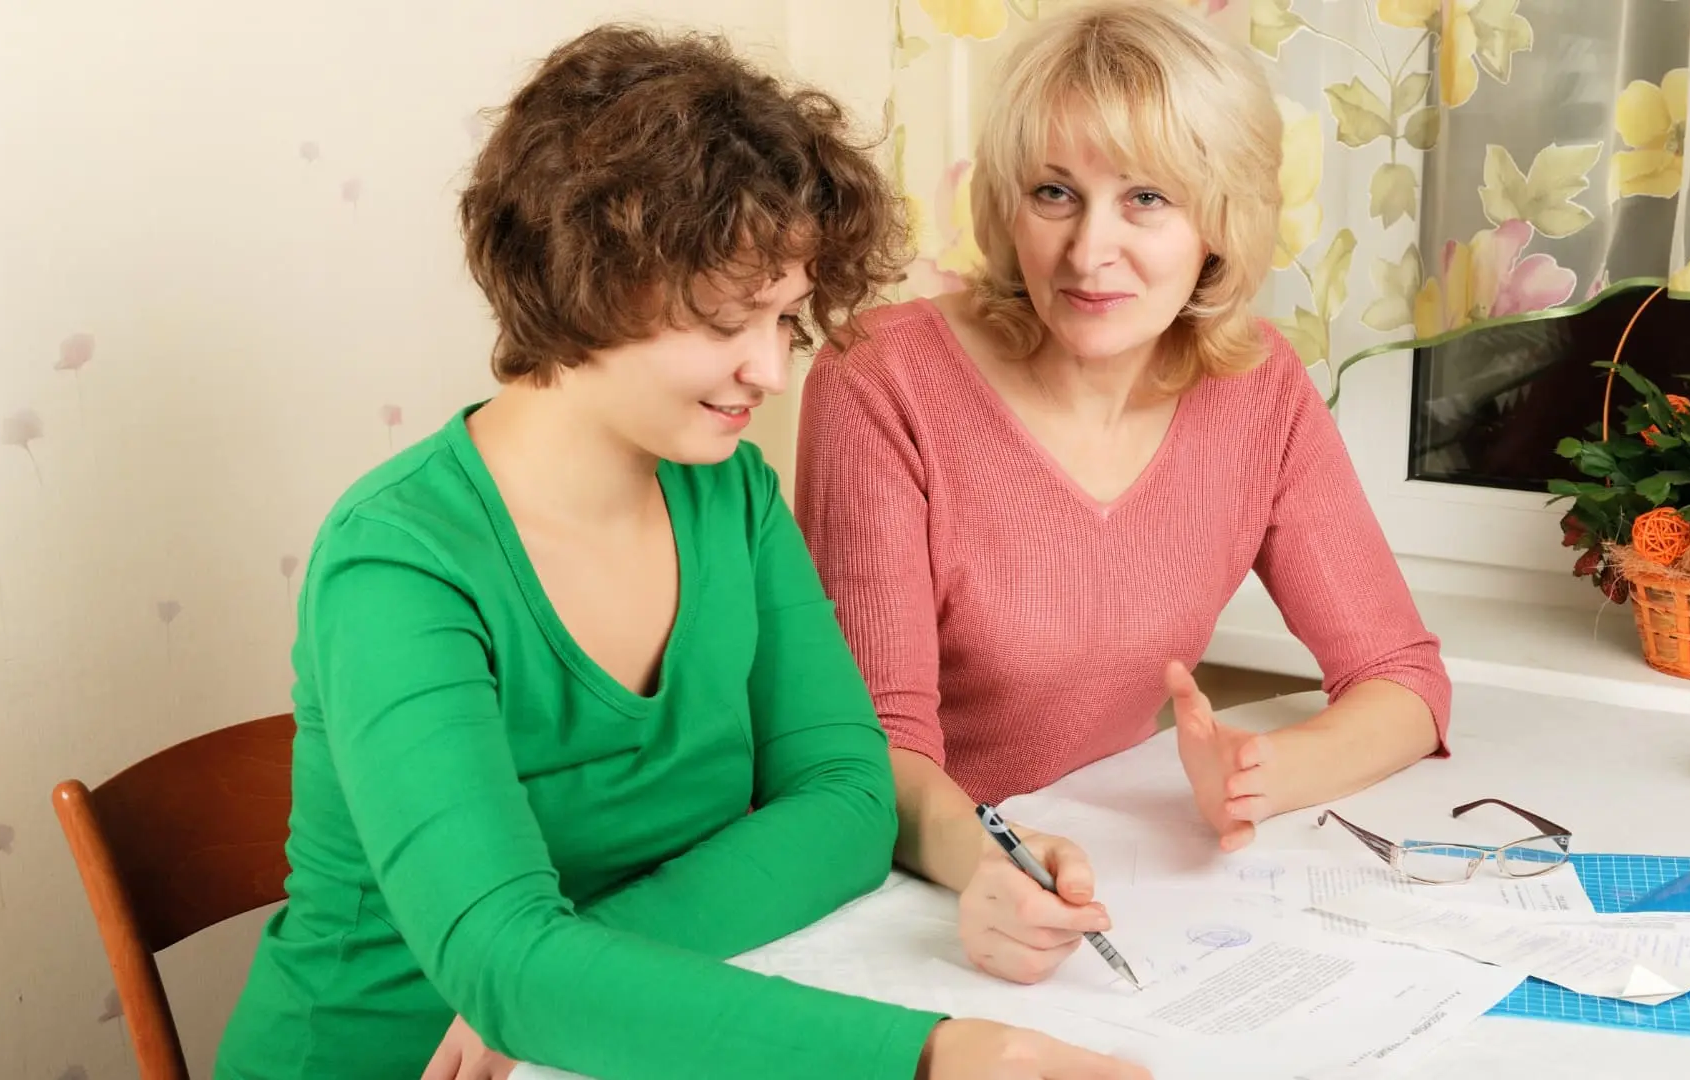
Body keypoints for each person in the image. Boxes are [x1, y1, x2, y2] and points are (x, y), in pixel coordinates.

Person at [213, 24, 1147, 1080]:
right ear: (584, 282)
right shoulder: (398, 564)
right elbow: (504, 963)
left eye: (789, 319)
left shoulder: (731, 495)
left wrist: (564, 979)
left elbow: (846, 801)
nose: (772, 372)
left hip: (612, 1048)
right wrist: (934, 1058)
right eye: (727, 323)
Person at [793, 0, 1451, 990]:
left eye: (1146, 198)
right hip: (906, 899)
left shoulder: (1259, 386)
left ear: (1220, 221)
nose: (1090, 250)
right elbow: (871, 753)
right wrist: (995, 863)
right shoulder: (879, 381)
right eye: (1054, 192)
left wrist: (1256, 775)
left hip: (1109, 884)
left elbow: (1403, 677)